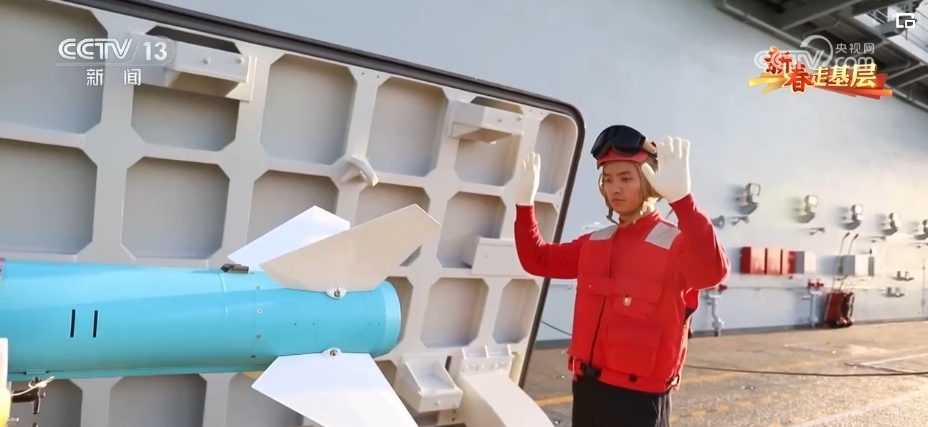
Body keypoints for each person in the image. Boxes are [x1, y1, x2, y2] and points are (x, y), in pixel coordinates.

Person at [514, 125, 730, 427]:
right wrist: (524, 205)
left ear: (650, 183)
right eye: (608, 179)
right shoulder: (594, 243)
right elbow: (537, 259)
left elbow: (712, 272)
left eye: (626, 178)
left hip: (639, 401)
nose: (615, 188)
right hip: (587, 390)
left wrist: (683, 200)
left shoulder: (676, 244)